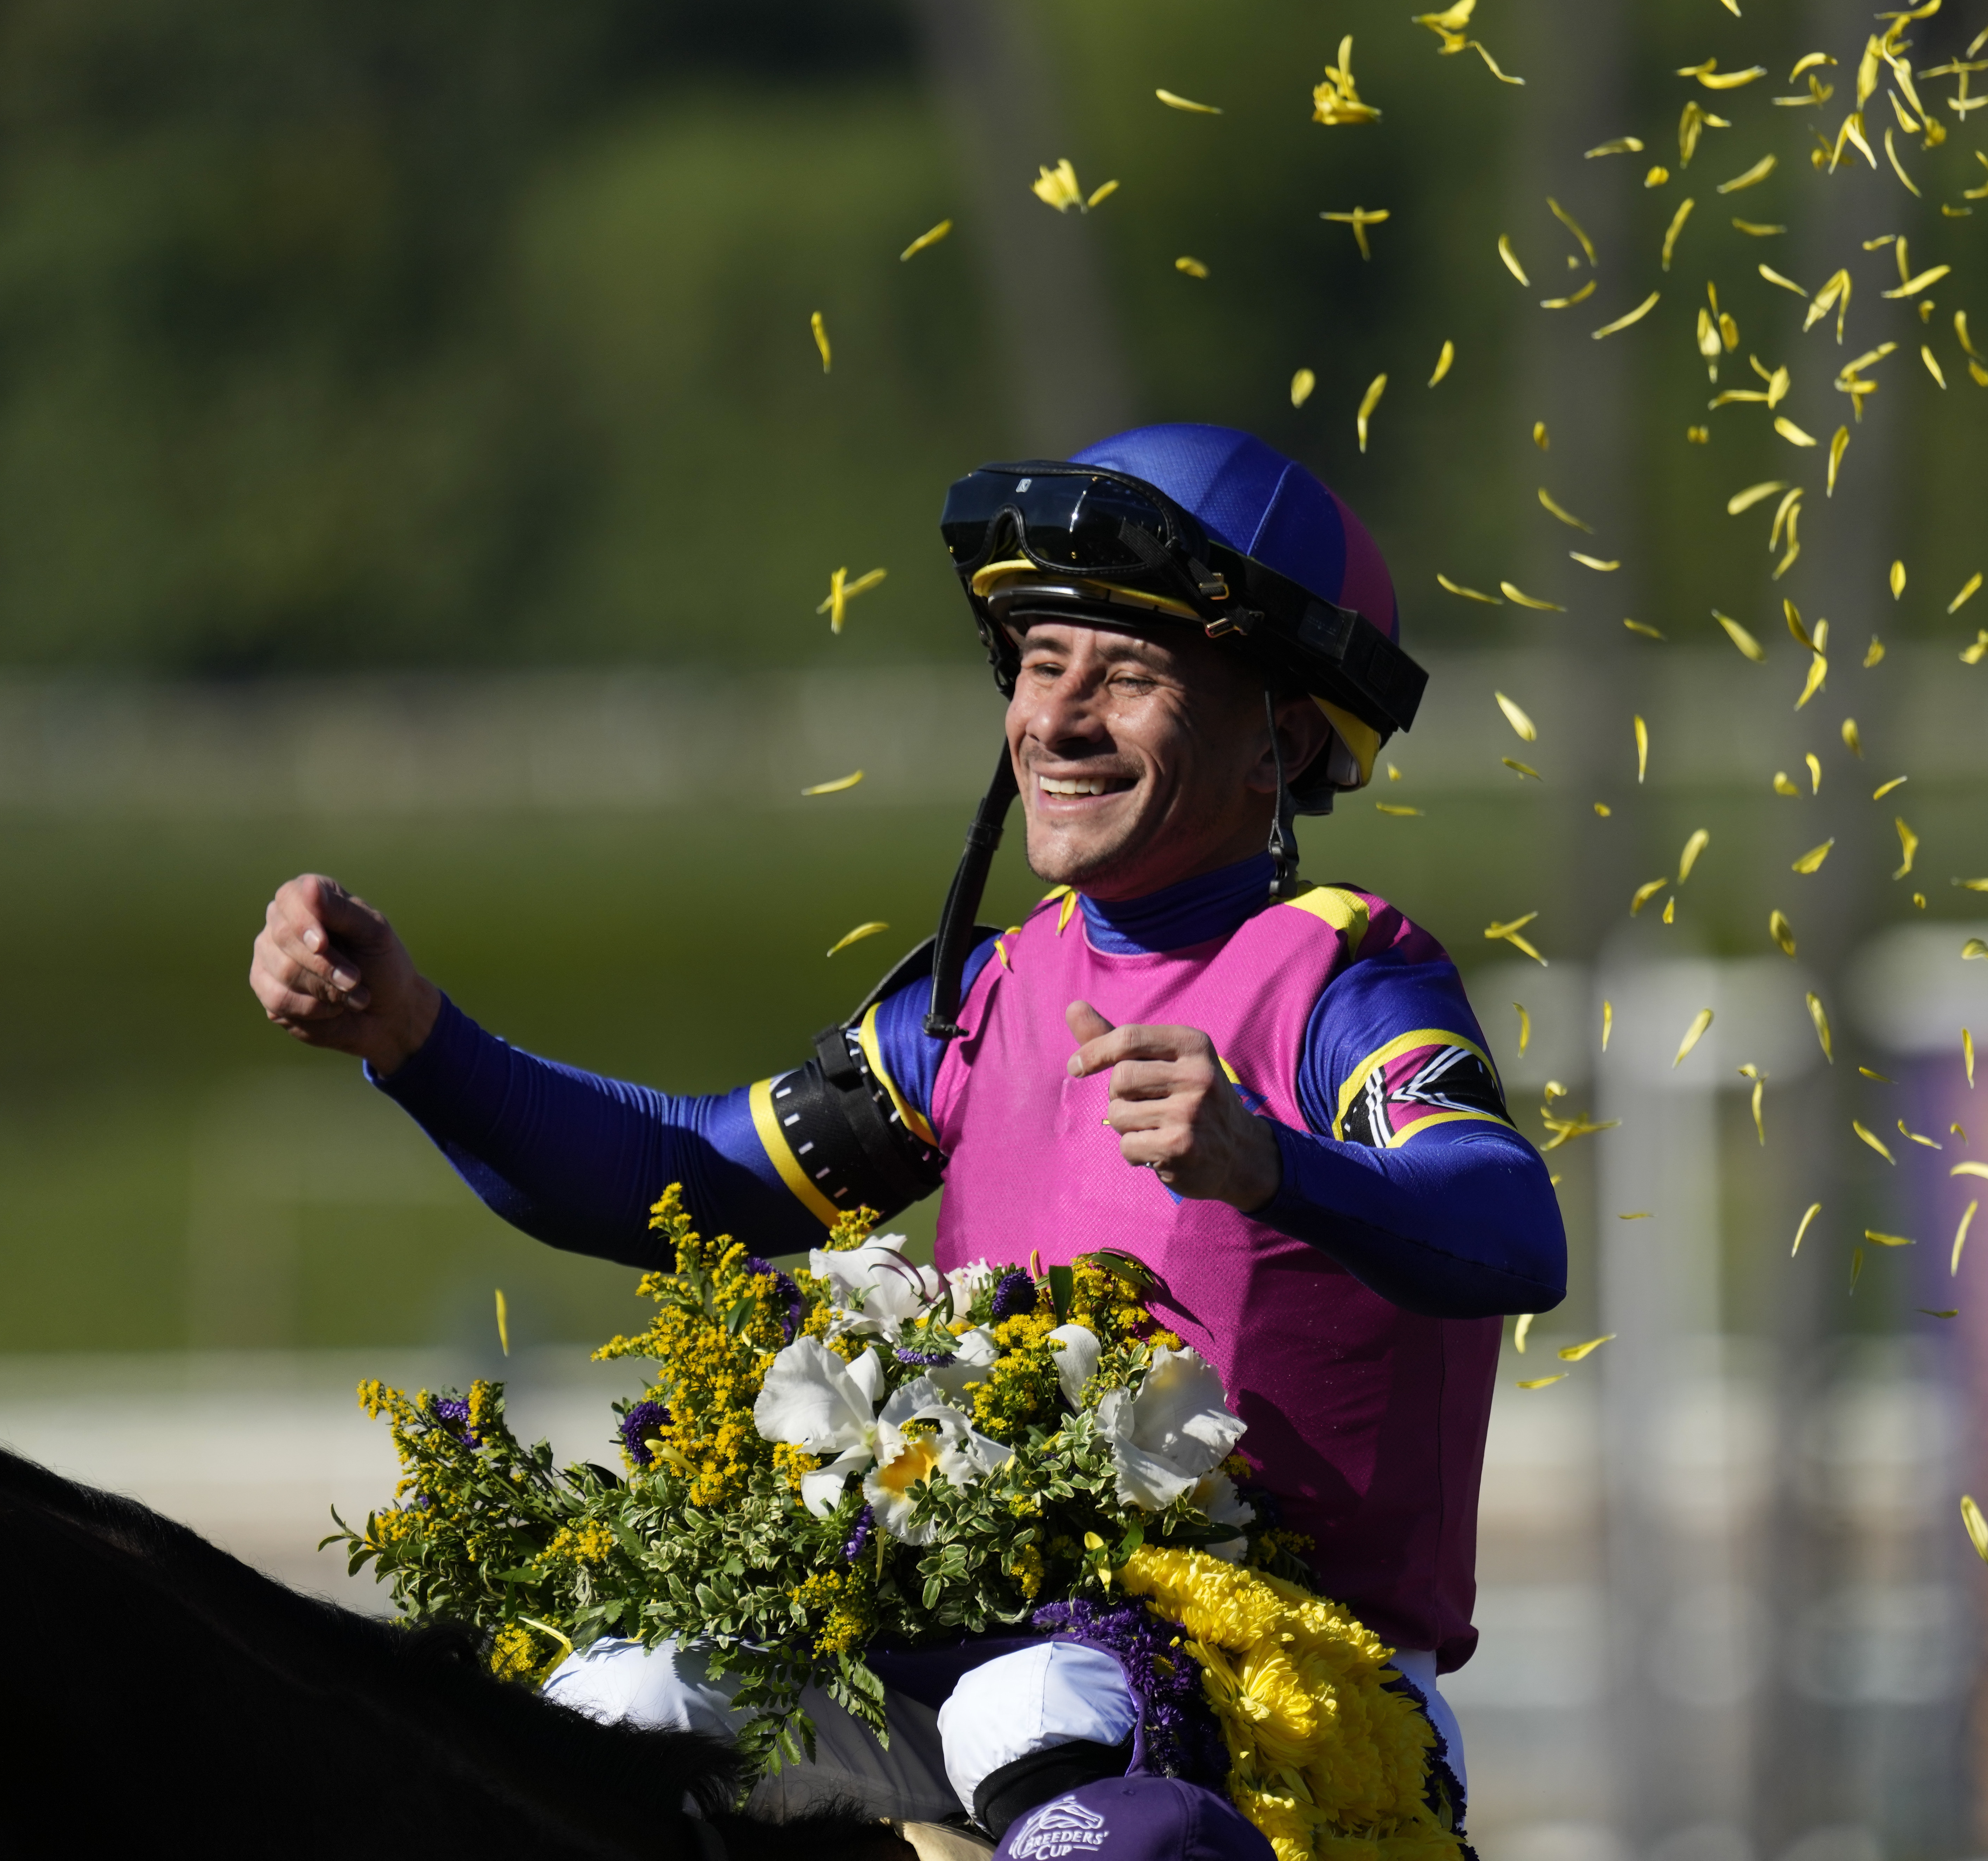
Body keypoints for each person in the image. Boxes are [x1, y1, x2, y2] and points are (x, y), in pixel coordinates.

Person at [247, 423, 1569, 1838]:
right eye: (1039, 662)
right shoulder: (987, 994)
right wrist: (415, 1039)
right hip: (986, 1659)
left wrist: (1270, 1159)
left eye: (1123, 673)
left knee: (1040, 1711)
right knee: (606, 1704)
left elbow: (1508, 1217)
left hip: (1309, 1694)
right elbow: (690, 1176)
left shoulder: (1347, 980)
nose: (1057, 717)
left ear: (1285, 733)